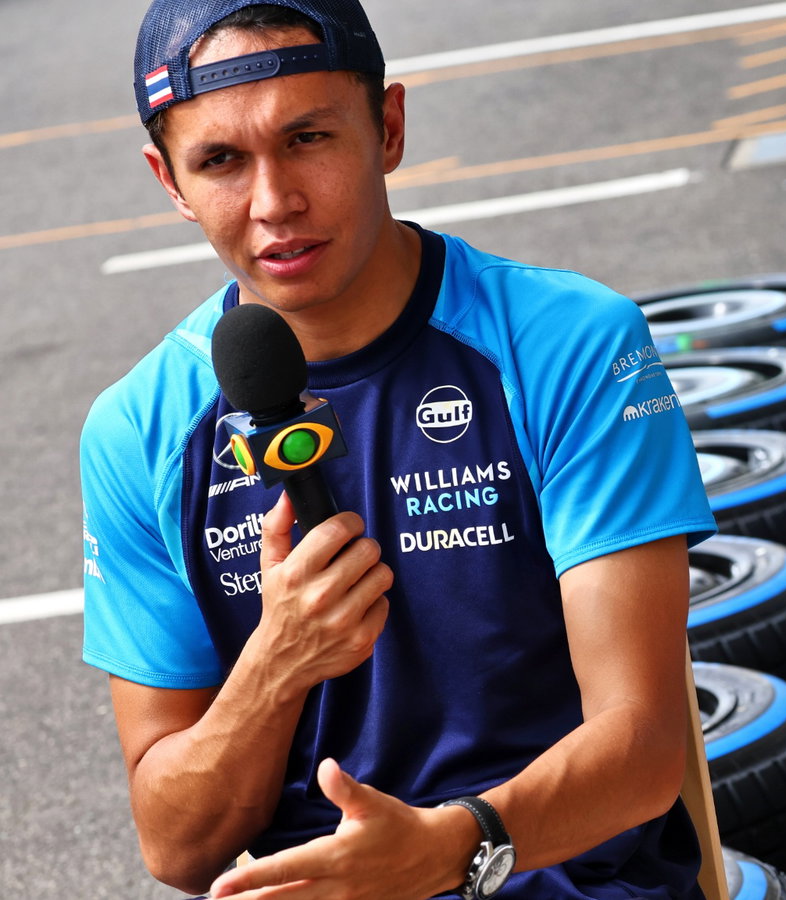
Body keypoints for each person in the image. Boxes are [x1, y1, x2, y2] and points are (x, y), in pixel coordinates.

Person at [78, 1, 715, 897]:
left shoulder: (567, 342)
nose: (274, 203)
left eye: (308, 138)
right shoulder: (137, 427)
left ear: (388, 128)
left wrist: (447, 850)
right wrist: (279, 661)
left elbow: (645, 745)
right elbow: (176, 848)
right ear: (170, 182)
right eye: (221, 161)